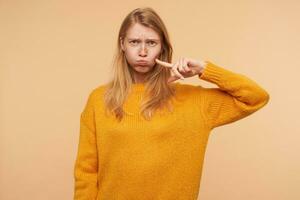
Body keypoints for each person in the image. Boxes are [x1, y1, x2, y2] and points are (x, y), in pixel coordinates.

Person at [73, 7, 270, 200]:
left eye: (151, 43)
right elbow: (86, 171)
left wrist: (204, 69)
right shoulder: (99, 99)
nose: (142, 51)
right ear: (122, 44)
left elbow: (256, 97)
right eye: (134, 42)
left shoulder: (195, 101)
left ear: (163, 48)